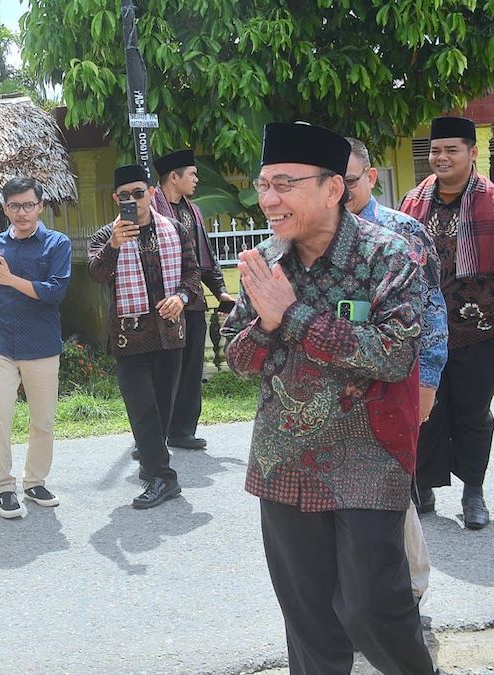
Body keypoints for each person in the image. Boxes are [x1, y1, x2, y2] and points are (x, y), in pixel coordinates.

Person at [221, 122, 433, 674]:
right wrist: (267, 322)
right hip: (282, 460)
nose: (269, 199)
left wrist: (292, 317)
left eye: (285, 184)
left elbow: (394, 354)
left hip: (368, 458)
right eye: (264, 184)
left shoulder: (388, 255)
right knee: (309, 624)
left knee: (370, 609)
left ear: (333, 187)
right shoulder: (264, 264)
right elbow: (238, 361)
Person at [346, 136, 449, 603]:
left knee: (391, 486)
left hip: (396, 384)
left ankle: (410, 591)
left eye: (348, 182)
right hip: (336, 390)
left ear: (370, 177)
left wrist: (427, 381)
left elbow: (433, 310)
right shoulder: (312, 236)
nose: (340, 193)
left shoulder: (403, 231)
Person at [400, 116, 494, 530]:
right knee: (426, 411)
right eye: (435, 150)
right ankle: (425, 485)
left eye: (451, 150)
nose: (441, 157)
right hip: (424, 332)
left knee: (474, 413)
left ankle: (473, 490)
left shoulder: (491, 200)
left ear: (472, 153)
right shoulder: (412, 202)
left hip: (480, 329)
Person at [88, 164, 199, 509]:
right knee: (142, 408)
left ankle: (153, 462)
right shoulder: (105, 235)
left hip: (170, 335)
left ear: (152, 193)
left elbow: (193, 275)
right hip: (129, 339)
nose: (133, 200)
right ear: (115, 199)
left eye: (139, 193)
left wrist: (180, 298)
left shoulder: (176, 230)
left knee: (161, 410)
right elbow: (96, 274)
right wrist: (114, 245)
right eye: (125, 195)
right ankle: (164, 478)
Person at [0, 176, 71, 519]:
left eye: (29, 205)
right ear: (5, 209)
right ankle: (3, 487)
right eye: (15, 206)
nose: (22, 212)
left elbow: (54, 292)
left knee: (42, 421)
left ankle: (35, 481)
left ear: (40, 206)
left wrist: (8, 278)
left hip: (42, 344)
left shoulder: (57, 244)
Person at [152, 149, 235, 449]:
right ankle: (152, 436)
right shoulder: (150, 209)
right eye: (192, 174)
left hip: (193, 301)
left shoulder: (193, 212)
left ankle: (182, 430)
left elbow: (205, 257)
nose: (197, 179)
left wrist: (220, 291)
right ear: (174, 177)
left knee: (190, 368)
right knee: (161, 370)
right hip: (160, 305)